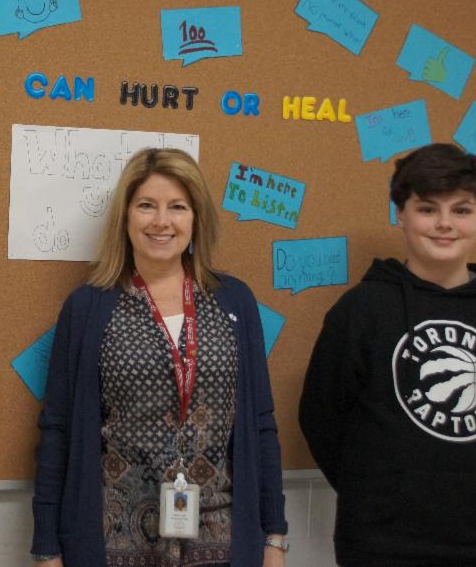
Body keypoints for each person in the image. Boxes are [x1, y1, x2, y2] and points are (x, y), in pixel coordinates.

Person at [31, 148, 288, 567]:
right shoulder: (87, 308)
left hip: (221, 537)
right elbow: (56, 430)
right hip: (112, 539)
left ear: (196, 218)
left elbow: (261, 425)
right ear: (126, 217)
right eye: (146, 205)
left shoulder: (234, 302)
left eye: (178, 207)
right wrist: (46, 547)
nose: (161, 221)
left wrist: (274, 536)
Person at [299, 143, 476, 567]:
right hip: (379, 545)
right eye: (428, 209)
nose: (445, 224)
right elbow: (321, 416)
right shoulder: (361, 310)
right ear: (401, 214)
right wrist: (372, 489)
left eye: (462, 210)